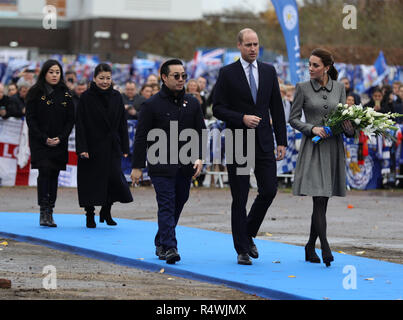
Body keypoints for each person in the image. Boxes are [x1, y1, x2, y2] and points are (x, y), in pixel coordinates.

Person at [213, 28, 287, 265]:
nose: (253, 49)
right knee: (240, 196)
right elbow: (217, 108)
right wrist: (241, 117)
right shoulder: (227, 73)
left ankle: (248, 232)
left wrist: (282, 140)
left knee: (269, 190)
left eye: (256, 44)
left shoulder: (268, 71)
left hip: (264, 141)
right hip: (238, 141)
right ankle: (242, 249)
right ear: (239, 46)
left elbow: (276, 107)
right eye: (248, 45)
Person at [131, 59, 205, 265]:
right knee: (166, 203)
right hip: (160, 163)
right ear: (164, 77)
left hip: (185, 164)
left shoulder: (192, 103)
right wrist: (137, 167)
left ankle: (161, 240)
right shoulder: (151, 104)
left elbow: (200, 133)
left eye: (184, 76)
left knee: (179, 202)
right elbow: (141, 137)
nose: (181, 80)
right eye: (176, 76)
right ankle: (171, 247)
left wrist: (199, 157)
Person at [289, 48, 355, 267]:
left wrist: (350, 128)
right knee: (318, 198)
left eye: (315, 65)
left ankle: (310, 246)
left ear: (327, 67)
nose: (310, 68)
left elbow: (345, 119)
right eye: (309, 64)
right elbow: (293, 118)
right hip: (314, 148)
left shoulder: (339, 88)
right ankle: (325, 246)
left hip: (333, 148)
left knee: (322, 201)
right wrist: (311, 129)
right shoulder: (302, 88)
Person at [75, 63, 133, 228]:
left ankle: (106, 210)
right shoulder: (86, 97)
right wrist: (82, 148)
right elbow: (80, 124)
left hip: (112, 146)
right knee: (91, 182)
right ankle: (90, 214)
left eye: (108, 78)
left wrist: (125, 148)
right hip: (92, 147)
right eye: (101, 78)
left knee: (114, 180)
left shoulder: (116, 96)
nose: (105, 81)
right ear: (94, 78)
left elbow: (122, 123)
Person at [25, 59, 75, 227]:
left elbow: (70, 119)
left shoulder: (66, 93)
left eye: (57, 72)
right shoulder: (34, 92)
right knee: (44, 172)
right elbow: (30, 119)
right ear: (44, 73)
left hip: (59, 142)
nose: (54, 75)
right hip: (40, 142)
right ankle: (43, 210)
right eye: (51, 72)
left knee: (54, 174)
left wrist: (61, 137)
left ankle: (51, 210)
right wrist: (43, 138)